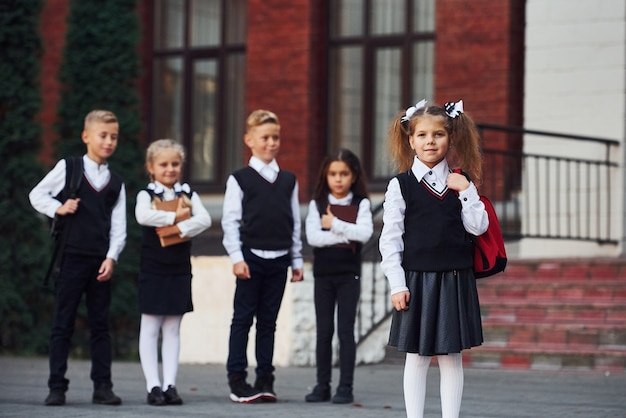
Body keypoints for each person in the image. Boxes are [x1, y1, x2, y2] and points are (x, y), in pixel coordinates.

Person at [378, 99, 488, 418]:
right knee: (418, 357)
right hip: (416, 279)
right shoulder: (401, 186)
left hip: (455, 278)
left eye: (438, 134)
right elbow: (390, 239)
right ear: (410, 140)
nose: (430, 141)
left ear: (451, 138)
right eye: (423, 135)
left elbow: (477, 227)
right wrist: (397, 285)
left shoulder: (461, 182)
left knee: (452, 356)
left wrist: (467, 191)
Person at [29, 109, 127, 406]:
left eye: (114, 137)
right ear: (86, 136)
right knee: (63, 323)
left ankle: (103, 387)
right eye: (103, 135)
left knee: (100, 326)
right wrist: (58, 208)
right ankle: (57, 387)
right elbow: (37, 194)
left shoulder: (116, 182)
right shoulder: (70, 168)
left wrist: (111, 258)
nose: (109, 141)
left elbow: (119, 226)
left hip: (100, 262)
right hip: (70, 258)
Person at [221, 109, 304, 403]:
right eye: (265, 137)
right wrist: (236, 257)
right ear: (249, 140)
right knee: (243, 318)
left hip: (280, 258)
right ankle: (237, 378)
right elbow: (230, 221)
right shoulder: (240, 179)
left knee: (268, 321)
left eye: (275, 137)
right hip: (250, 257)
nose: (271, 143)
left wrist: (296, 260)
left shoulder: (288, 180)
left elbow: (293, 222)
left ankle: (265, 378)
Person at [135, 139, 212, 406]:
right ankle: (152, 385)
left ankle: (170, 384)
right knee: (151, 325)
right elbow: (143, 216)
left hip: (179, 266)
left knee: (173, 327)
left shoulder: (188, 193)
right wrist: (174, 217)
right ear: (151, 168)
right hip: (153, 266)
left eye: (175, 164)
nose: (170, 169)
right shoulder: (146, 194)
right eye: (163, 164)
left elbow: (204, 219)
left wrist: (179, 229)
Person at [304, 149, 373, 404]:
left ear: (353, 176)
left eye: (344, 173)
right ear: (326, 175)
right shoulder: (317, 203)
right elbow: (313, 238)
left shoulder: (361, 204)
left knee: (345, 331)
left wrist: (333, 224)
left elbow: (364, 234)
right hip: (323, 276)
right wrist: (347, 234)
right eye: (333, 173)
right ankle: (322, 385)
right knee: (324, 331)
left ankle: (345, 387)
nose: (338, 179)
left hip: (349, 276)